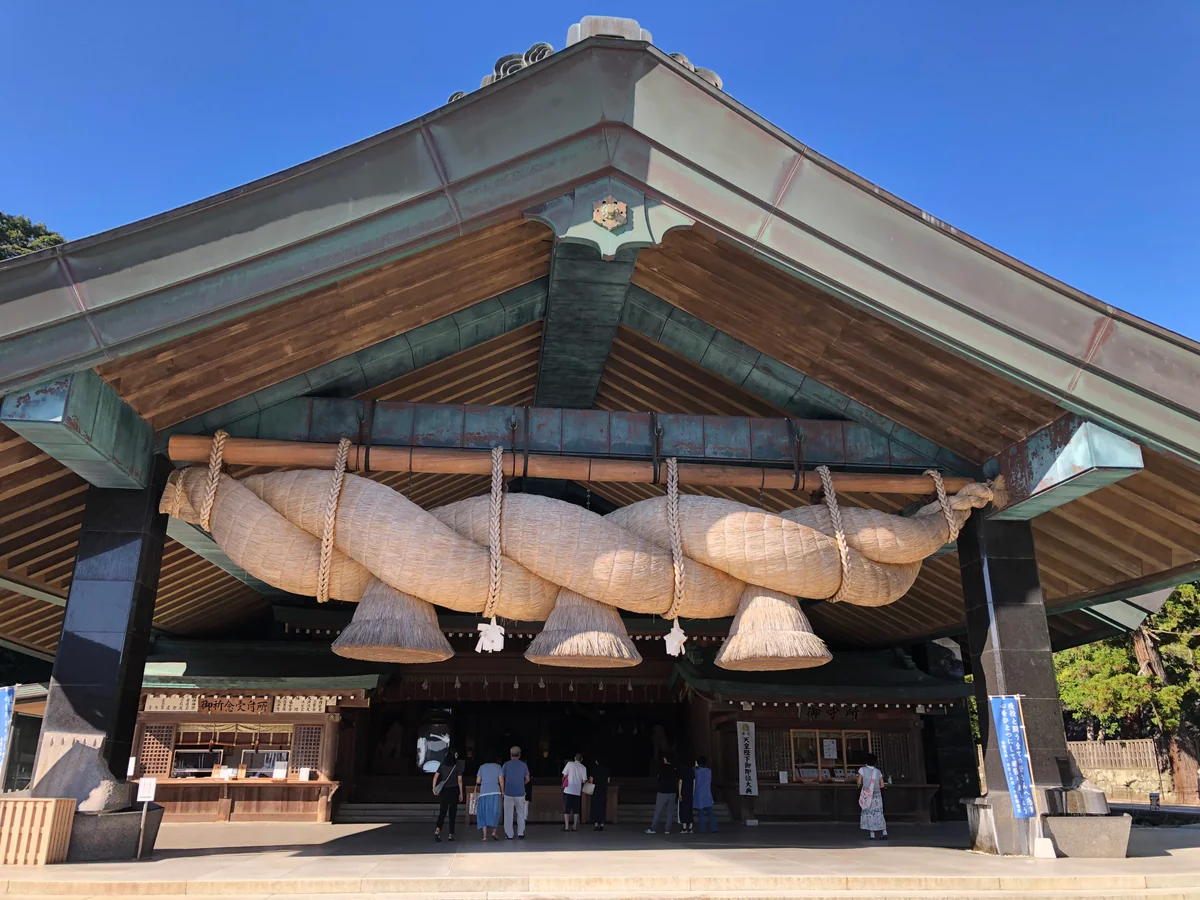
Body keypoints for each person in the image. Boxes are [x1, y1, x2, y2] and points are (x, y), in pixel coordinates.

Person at [432, 749, 464, 842]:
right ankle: (451, 834)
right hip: (454, 790)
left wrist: (434, 788)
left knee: (442, 811)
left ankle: (437, 830)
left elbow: (435, 776)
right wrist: (461, 793)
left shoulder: (443, 764)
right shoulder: (457, 765)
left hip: (444, 791)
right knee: (452, 813)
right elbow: (460, 780)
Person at [499, 745, 530, 839]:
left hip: (508, 792)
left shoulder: (506, 765)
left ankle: (509, 834)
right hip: (520, 793)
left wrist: (503, 790)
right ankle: (521, 833)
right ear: (519, 755)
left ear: (510, 755)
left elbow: (501, 778)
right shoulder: (524, 765)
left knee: (508, 814)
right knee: (520, 813)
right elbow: (528, 779)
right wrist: (522, 784)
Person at [857, 753, 888, 840]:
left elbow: (859, 783)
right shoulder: (878, 771)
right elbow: (882, 785)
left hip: (867, 795)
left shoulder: (862, 770)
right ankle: (884, 832)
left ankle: (872, 834)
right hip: (877, 796)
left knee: (869, 814)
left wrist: (861, 787)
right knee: (879, 813)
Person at [646, 754, 678, 834]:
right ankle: (667, 829)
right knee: (670, 812)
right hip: (672, 791)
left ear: (666, 759)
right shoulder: (674, 768)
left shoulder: (662, 768)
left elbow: (657, 776)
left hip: (663, 791)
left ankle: (653, 828)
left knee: (658, 810)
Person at [475, 755, 503, 842]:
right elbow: (501, 780)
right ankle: (494, 832)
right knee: (495, 812)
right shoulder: (498, 767)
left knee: (483, 813)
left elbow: (478, 781)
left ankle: (484, 836)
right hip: (495, 792)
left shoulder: (482, 767)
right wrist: (503, 791)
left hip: (484, 793)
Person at [561, 752, 588, 832]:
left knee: (567, 809)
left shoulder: (569, 764)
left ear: (574, 758)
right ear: (582, 760)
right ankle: (574, 826)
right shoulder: (583, 768)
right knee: (576, 809)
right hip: (577, 790)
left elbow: (564, 775)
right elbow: (584, 781)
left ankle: (566, 827)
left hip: (568, 789)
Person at [693, 756, 716, 833]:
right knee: (710, 812)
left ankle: (702, 829)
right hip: (707, 792)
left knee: (701, 813)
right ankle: (714, 828)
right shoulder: (709, 771)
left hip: (699, 793)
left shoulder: (696, 771)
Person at [589, 757, 610, 831]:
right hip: (603, 791)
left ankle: (596, 824)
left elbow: (591, 780)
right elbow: (608, 780)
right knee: (602, 807)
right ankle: (602, 824)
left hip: (595, 791)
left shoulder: (594, 769)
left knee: (595, 807)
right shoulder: (606, 769)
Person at [677, 755, 695, 834]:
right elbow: (694, 782)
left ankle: (684, 828)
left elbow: (680, 782)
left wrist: (679, 793)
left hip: (684, 792)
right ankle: (690, 827)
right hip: (690, 792)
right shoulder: (692, 771)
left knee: (683, 809)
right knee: (690, 809)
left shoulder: (682, 771)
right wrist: (693, 792)